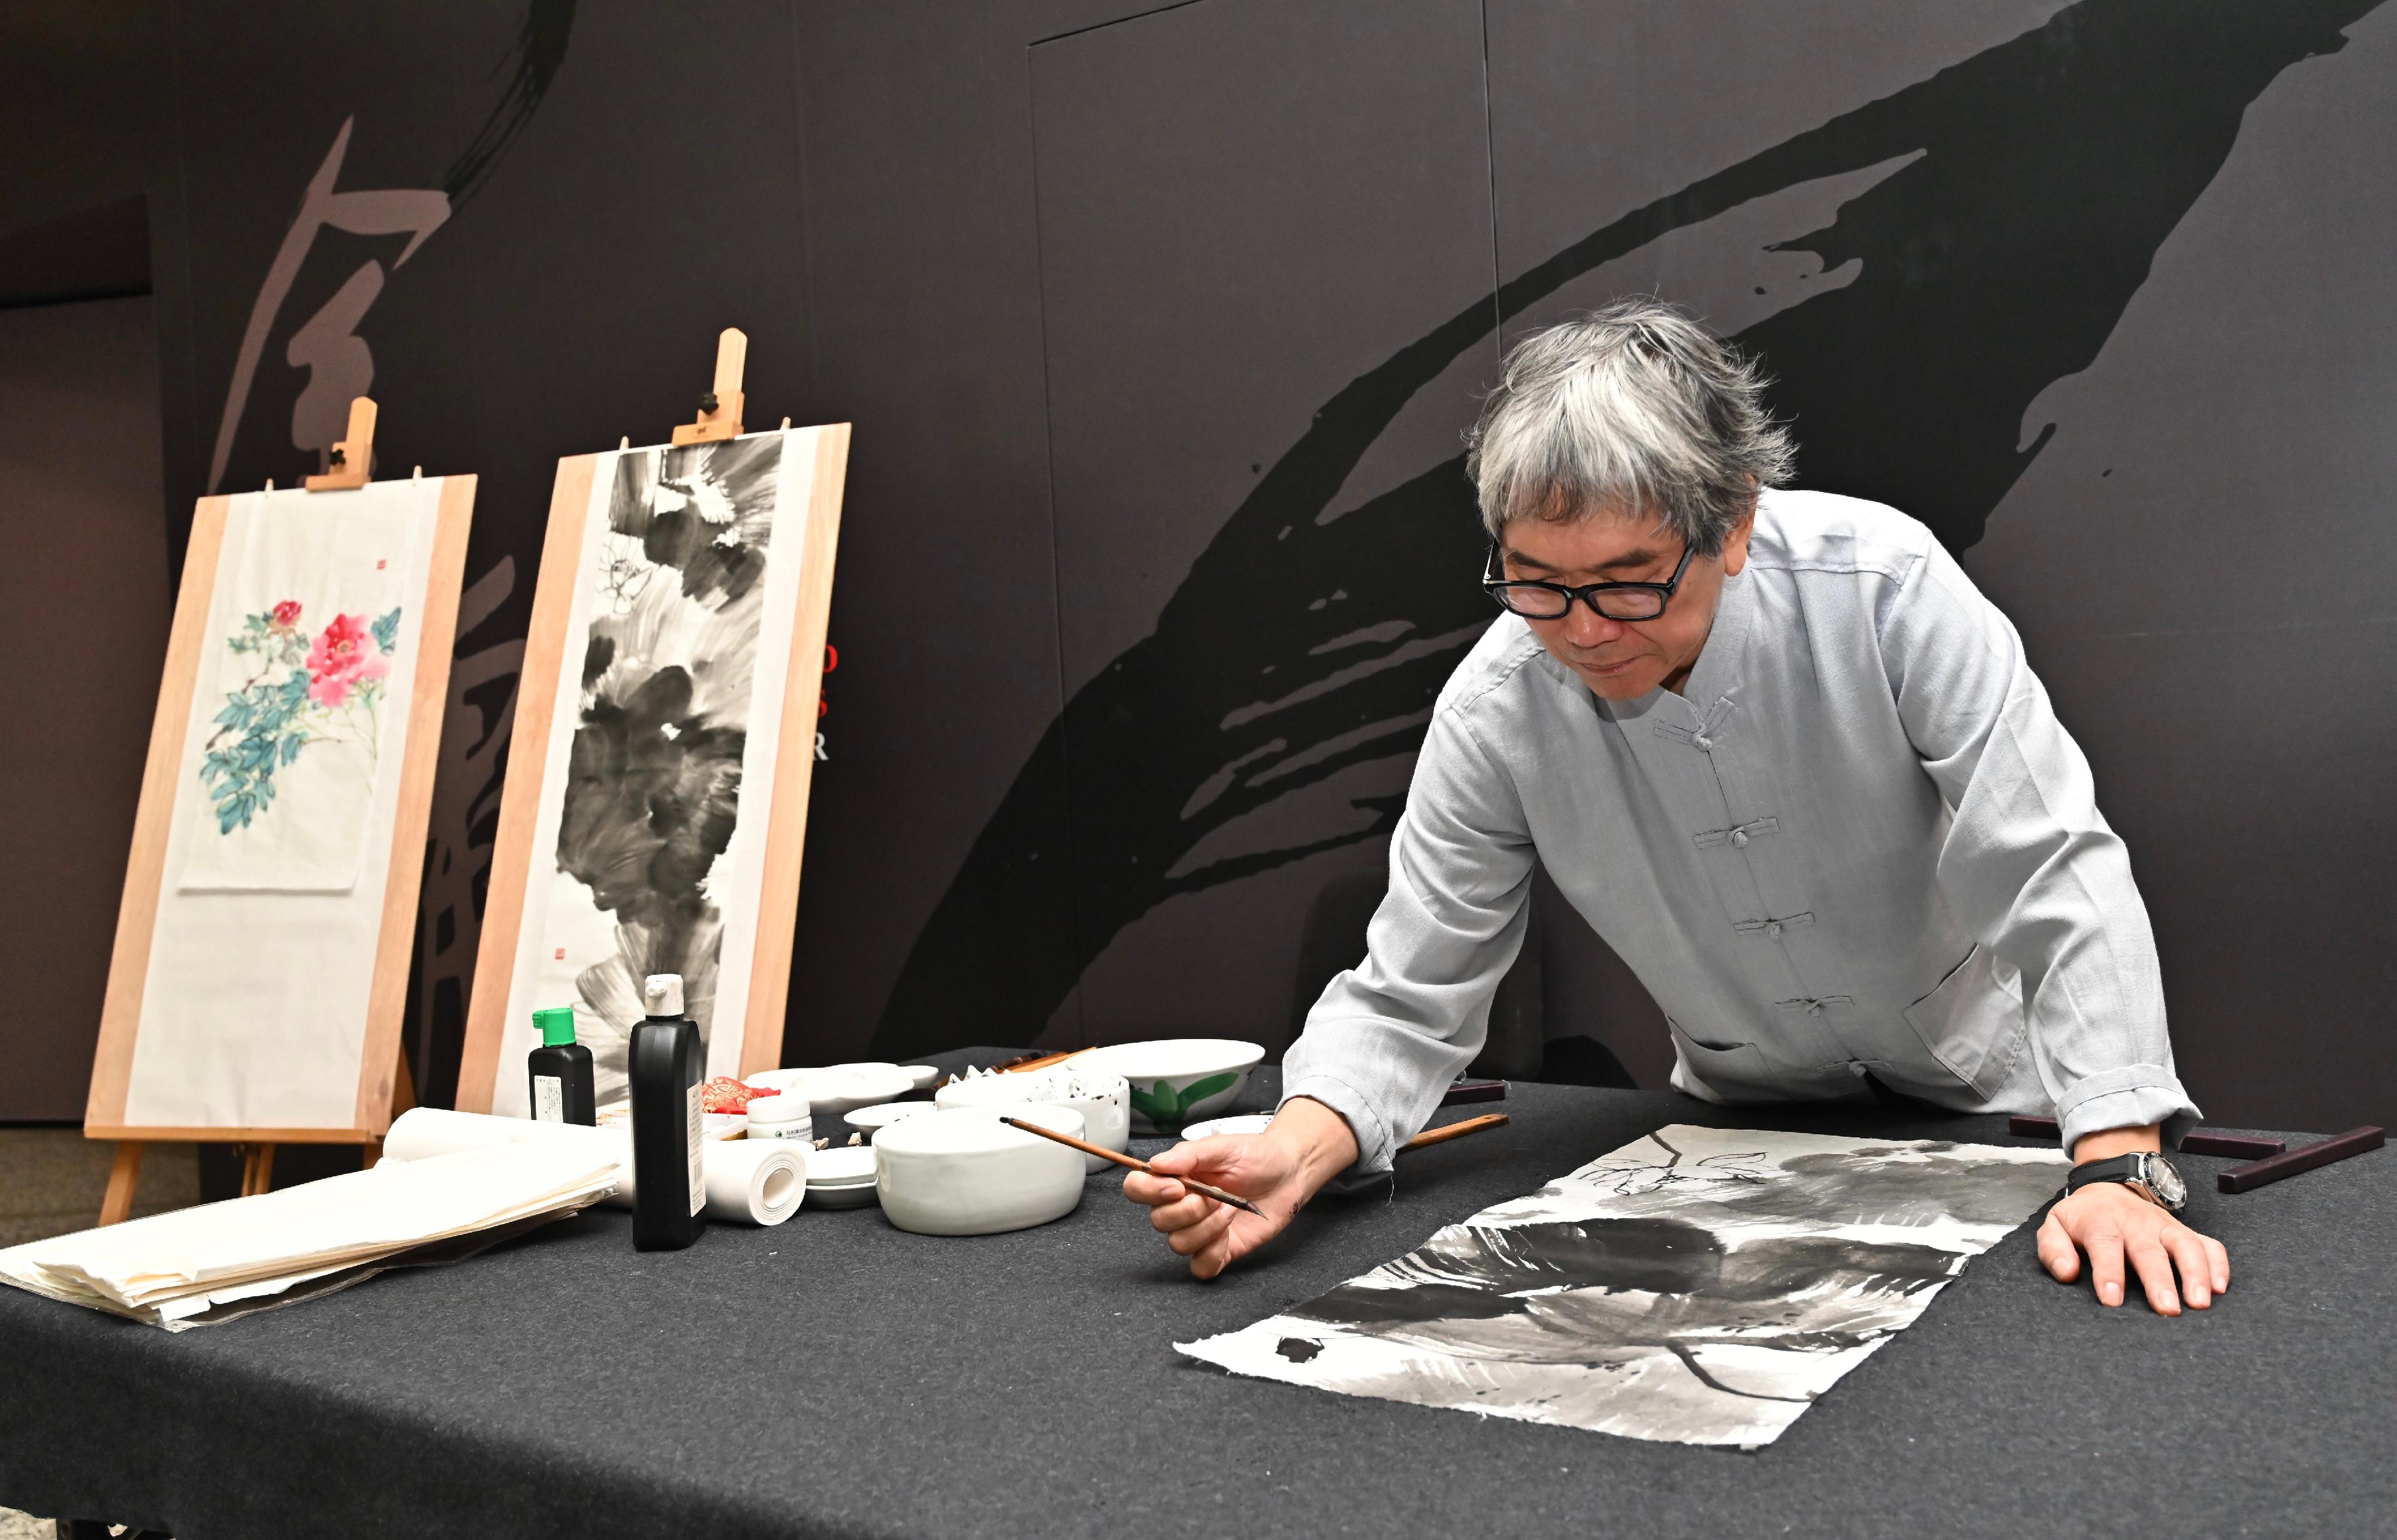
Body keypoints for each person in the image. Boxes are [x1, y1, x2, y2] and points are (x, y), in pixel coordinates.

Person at [1124, 298, 2229, 1317]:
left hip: (2007, 1108)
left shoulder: (1885, 589)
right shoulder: (1498, 705)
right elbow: (1411, 993)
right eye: (1537, 581)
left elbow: (2051, 867)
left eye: (1630, 580)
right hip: (1743, 1137)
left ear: (1735, 522)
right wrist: (1297, 1144)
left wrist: (2124, 1160)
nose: (1585, 628)